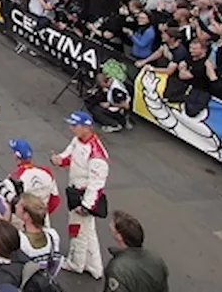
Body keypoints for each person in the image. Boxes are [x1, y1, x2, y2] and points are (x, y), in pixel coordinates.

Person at [52, 111, 109, 280]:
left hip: (83, 197)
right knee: (88, 231)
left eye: (74, 125)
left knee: (76, 230)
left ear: (86, 127)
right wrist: (59, 160)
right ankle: (94, 266)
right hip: (75, 192)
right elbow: (68, 156)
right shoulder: (78, 141)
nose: (71, 128)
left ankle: (75, 263)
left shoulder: (97, 154)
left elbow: (96, 184)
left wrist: (86, 206)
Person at [103, 211, 170, 292]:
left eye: (113, 225)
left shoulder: (117, 268)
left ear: (119, 236)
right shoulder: (156, 258)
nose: (110, 224)